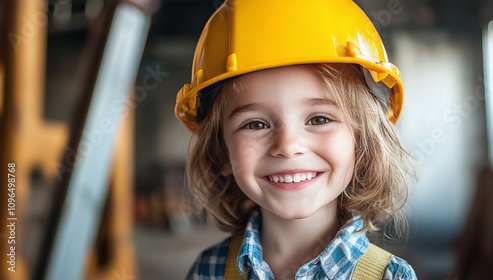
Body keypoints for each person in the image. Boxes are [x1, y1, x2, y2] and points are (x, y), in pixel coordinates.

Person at [175, 0, 417, 279]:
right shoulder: (208, 271)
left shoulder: (390, 276)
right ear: (221, 152)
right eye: (255, 124)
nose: (288, 146)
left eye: (319, 119)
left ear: (363, 143)